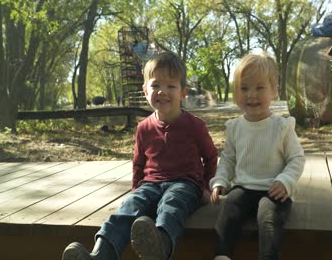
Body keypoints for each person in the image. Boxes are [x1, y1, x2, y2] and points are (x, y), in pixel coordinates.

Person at [62, 52, 218, 260]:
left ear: (183, 92)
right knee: (128, 208)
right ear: (145, 91)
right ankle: (101, 254)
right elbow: (138, 163)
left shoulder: (195, 125)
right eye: (155, 85)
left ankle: (160, 246)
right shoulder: (144, 128)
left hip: (186, 184)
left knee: (172, 204)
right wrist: (137, 190)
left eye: (171, 86)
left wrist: (206, 187)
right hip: (150, 184)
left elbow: (210, 157)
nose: (162, 91)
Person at [210, 52, 306, 260]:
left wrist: (286, 180)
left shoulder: (282, 127)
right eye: (244, 88)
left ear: (274, 90)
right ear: (236, 93)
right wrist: (220, 180)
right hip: (244, 188)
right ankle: (222, 256)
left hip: (274, 190)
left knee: (268, 216)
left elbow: (296, 158)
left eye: (259, 87)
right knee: (230, 207)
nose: (251, 95)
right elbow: (228, 159)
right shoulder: (235, 127)